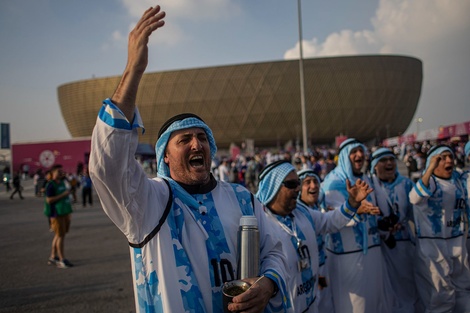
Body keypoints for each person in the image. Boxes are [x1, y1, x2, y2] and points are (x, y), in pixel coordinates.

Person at [88, 6, 288, 313]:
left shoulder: (241, 197)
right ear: (165, 156)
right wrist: (133, 70)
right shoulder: (148, 203)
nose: (197, 143)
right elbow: (109, 164)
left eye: (203, 137)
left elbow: (276, 247)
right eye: (184, 140)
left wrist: (269, 283)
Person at [255, 161, 373, 312]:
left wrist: (352, 203)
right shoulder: (260, 225)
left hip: (311, 305)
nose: (298, 188)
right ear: (273, 187)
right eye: (291, 184)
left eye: (298, 183)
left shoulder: (302, 212)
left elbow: (329, 221)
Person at [321, 138, 388, 313]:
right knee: (354, 306)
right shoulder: (332, 183)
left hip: (373, 250)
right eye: (353, 152)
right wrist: (355, 209)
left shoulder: (368, 180)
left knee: (376, 302)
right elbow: (328, 217)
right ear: (344, 156)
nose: (359, 155)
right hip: (347, 256)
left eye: (361, 150)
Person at [409, 144, 470, 312]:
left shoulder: (459, 180)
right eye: (442, 158)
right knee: (440, 299)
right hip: (434, 251)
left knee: (464, 294)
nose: (449, 160)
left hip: (458, 245)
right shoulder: (430, 183)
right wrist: (429, 170)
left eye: (450, 156)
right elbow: (414, 198)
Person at [369, 148, 419, 313]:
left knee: (407, 286)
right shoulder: (370, 187)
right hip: (379, 248)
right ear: (375, 166)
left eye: (391, 159)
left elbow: (417, 216)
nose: (389, 163)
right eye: (383, 160)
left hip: (404, 247)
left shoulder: (406, 185)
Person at [296, 169, 334, 313]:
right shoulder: (296, 215)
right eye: (307, 182)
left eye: (316, 182)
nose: (313, 186)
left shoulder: (320, 208)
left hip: (324, 270)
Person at [43, 164, 74, 268]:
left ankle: (53, 256)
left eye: (61, 171)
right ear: (52, 173)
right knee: (60, 236)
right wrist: (63, 195)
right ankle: (62, 259)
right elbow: (49, 200)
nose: (61, 173)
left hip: (64, 212)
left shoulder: (61, 182)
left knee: (59, 235)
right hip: (56, 213)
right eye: (58, 172)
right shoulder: (50, 185)